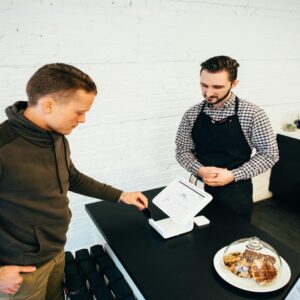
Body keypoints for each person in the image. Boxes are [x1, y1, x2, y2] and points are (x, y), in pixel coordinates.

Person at [0, 63, 148, 299]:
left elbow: (71, 176)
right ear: (49, 105)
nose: (83, 120)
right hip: (20, 272)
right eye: (78, 112)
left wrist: (120, 195)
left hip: (56, 252)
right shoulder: (3, 147)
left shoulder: (55, 136)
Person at [175, 55, 279, 221]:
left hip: (236, 193)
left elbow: (269, 154)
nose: (208, 93)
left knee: (232, 240)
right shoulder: (192, 114)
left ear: (234, 83)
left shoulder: (253, 114)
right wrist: (199, 169)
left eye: (217, 86)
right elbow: (182, 150)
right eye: (204, 85)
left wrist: (233, 175)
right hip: (198, 189)